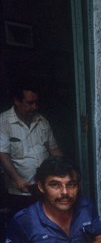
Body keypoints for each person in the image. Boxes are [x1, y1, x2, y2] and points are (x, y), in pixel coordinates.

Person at [0, 156, 101, 243]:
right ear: (41, 186)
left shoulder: (85, 206)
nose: (64, 192)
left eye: (71, 185)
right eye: (55, 185)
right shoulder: (24, 220)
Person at [0, 78, 62, 215]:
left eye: (36, 102)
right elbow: (2, 153)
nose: (34, 107)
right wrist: (17, 179)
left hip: (44, 188)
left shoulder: (42, 121)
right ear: (17, 101)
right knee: (25, 226)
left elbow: (54, 150)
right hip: (20, 190)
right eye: (29, 103)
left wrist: (62, 173)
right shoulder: (4, 122)